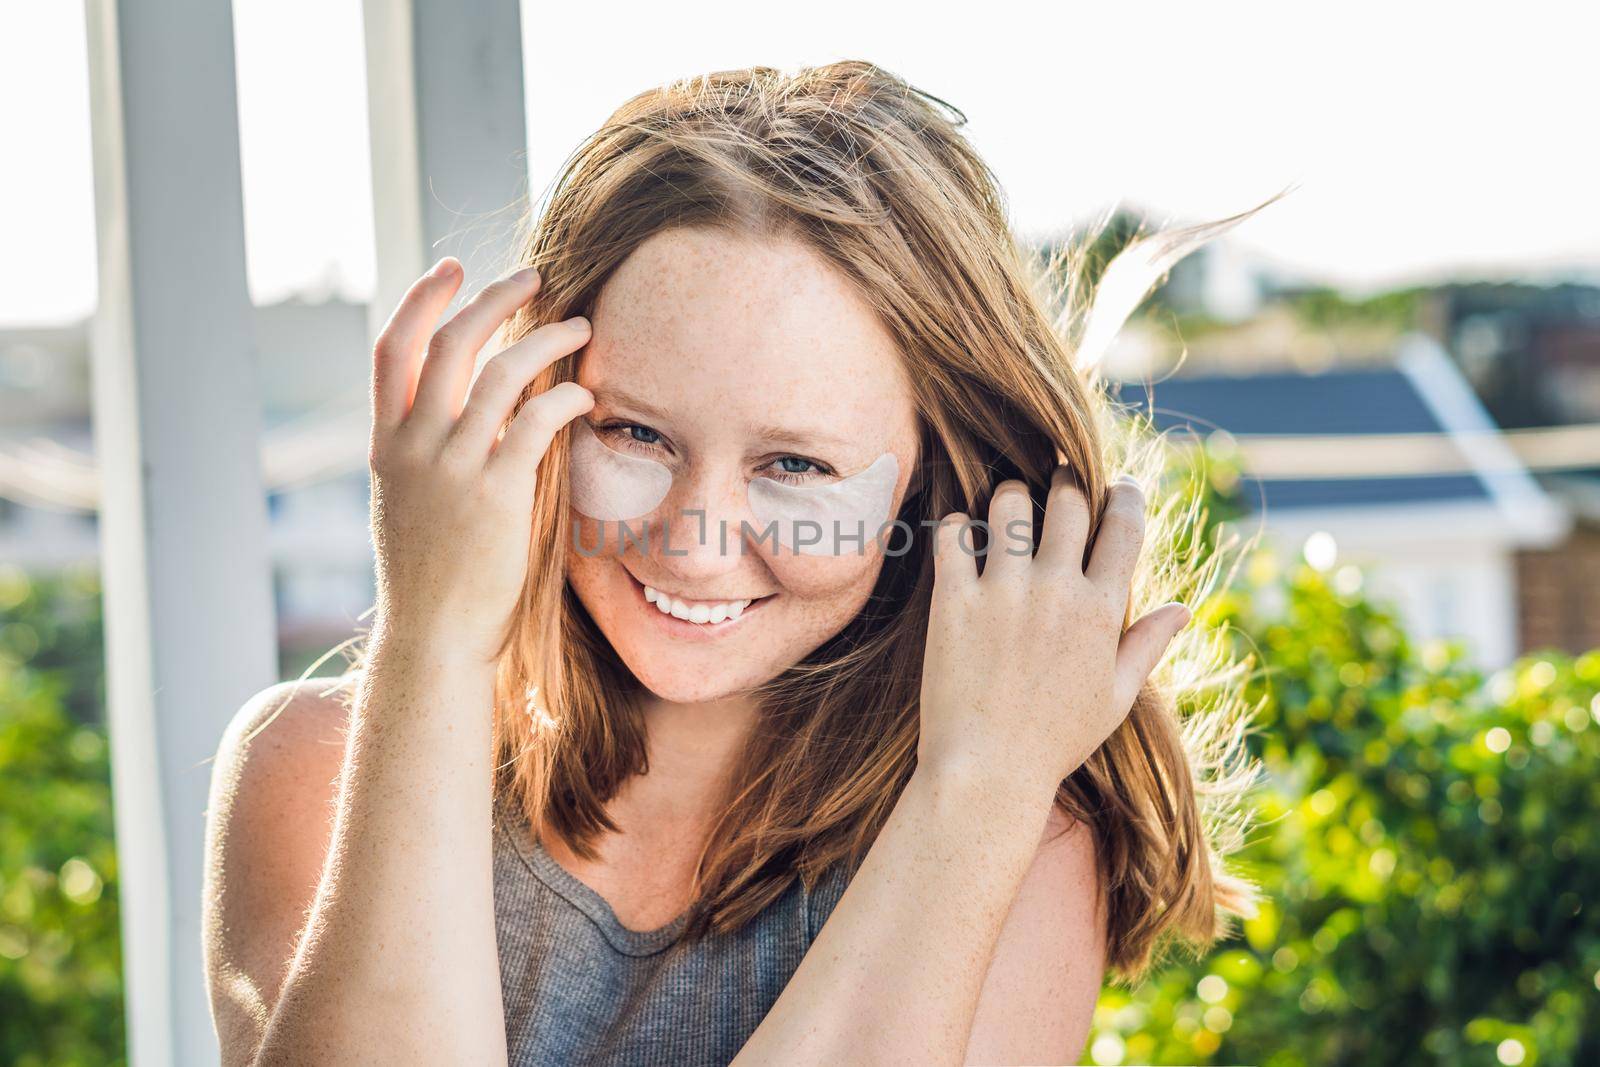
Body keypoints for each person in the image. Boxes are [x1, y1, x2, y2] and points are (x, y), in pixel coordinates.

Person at [201, 60, 1259, 1066]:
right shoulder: (311, 774)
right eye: (635, 436)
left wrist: (978, 787)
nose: (695, 540)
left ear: (932, 481)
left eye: (794, 464)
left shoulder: (1017, 830)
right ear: (535, 413)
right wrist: (431, 633)